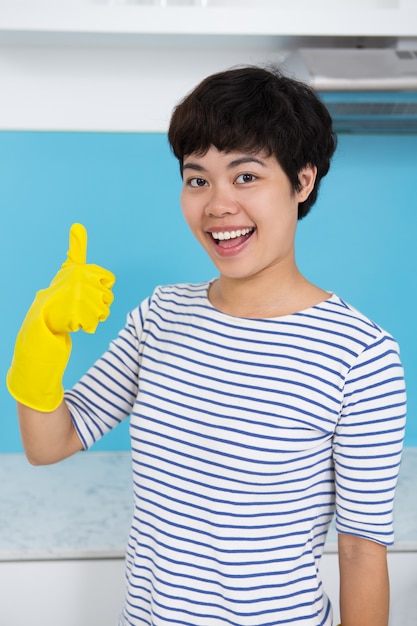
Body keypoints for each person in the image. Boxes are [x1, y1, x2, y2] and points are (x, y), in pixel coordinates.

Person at [7, 65, 406, 626]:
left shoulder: (361, 355)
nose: (217, 205)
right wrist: (42, 340)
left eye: (246, 176)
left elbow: (362, 550)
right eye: (198, 179)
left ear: (302, 181)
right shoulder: (161, 315)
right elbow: (51, 443)